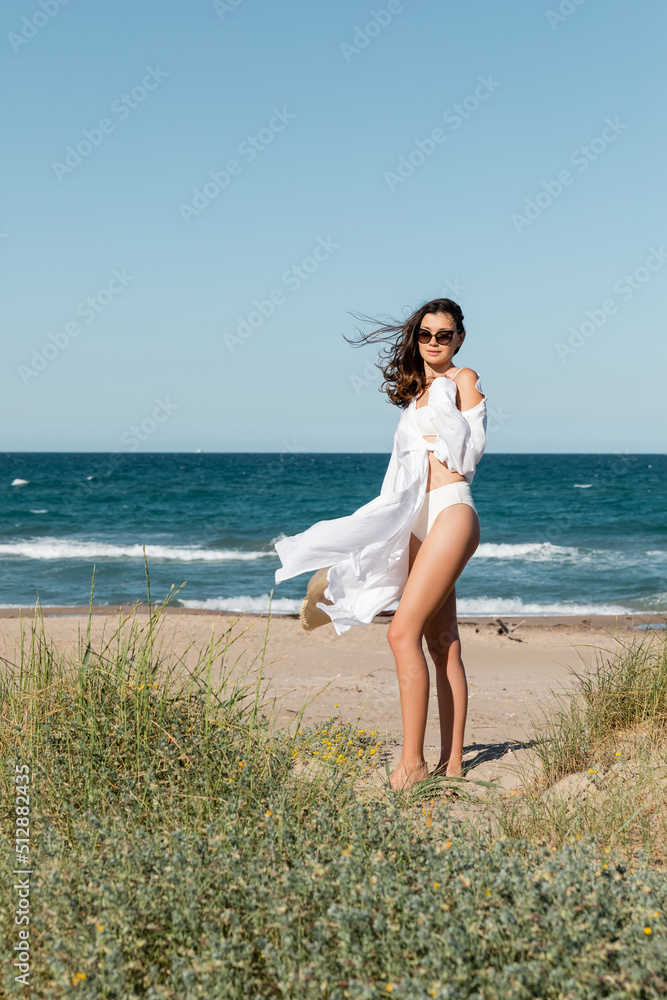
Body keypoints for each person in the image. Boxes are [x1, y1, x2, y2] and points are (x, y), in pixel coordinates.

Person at [274, 298, 487, 789]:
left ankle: (411, 764)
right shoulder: (417, 396)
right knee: (442, 641)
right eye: (426, 334)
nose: (435, 342)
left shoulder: (463, 380)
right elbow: (401, 478)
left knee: (399, 633)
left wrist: (448, 394)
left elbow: (469, 452)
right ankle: (452, 766)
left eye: (445, 334)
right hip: (416, 517)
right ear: (417, 339)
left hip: (452, 509)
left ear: (458, 339)